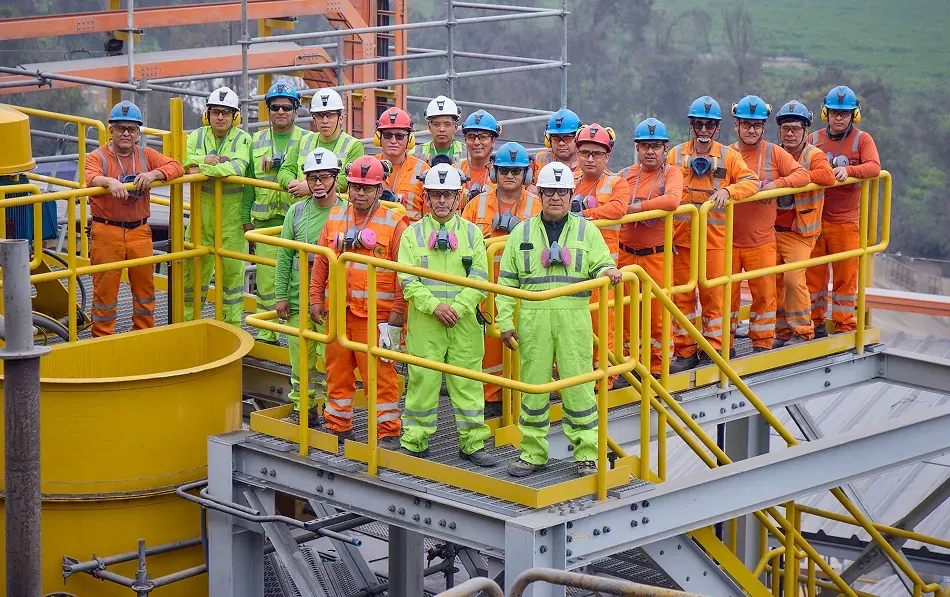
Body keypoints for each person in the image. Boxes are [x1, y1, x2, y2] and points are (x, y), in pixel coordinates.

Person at [496, 162, 622, 478]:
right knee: (534, 388)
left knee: (578, 387)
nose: (555, 197)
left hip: (573, 319)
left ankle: (586, 454)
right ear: (539, 193)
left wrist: (607, 271)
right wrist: (504, 320)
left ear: (570, 194)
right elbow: (506, 281)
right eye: (549, 191)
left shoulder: (587, 231)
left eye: (562, 192)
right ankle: (532, 454)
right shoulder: (521, 232)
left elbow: (602, 263)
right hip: (533, 320)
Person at [397, 164, 494, 465]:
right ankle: (415, 440)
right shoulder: (412, 235)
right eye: (436, 195)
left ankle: (473, 444)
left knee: (467, 382)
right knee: (423, 381)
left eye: (448, 195)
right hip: (427, 323)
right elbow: (408, 281)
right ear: (426, 196)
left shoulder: (472, 234)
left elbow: (480, 278)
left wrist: (459, 308)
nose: (441, 201)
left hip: (463, 324)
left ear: (458, 197)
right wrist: (435, 307)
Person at [309, 156, 408, 446]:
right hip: (339, 312)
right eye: (355, 187)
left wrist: (399, 312)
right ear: (348, 187)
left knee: (381, 376)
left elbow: (405, 272)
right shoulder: (336, 217)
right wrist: (316, 298)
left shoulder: (395, 224)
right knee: (336, 373)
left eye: (367, 188)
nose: (360, 193)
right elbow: (321, 263)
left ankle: (388, 431)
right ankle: (339, 427)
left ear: (380, 190)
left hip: (378, 318)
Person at [667, 96, 758, 373]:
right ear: (692, 125)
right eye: (699, 124)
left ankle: (714, 348)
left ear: (717, 128)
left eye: (709, 125)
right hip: (680, 241)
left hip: (714, 242)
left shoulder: (729, 156)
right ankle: (685, 352)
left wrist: (729, 191)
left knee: (713, 298)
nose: (704, 130)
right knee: (681, 298)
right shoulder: (675, 154)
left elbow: (751, 182)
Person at [85, 100, 184, 336]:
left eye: (131, 129)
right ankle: (101, 339)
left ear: (138, 133)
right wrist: (110, 182)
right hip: (107, 232)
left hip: (140, 231)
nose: (126, 134)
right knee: (105, 292)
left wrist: (154, 174)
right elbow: (90, 178)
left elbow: (176, 166)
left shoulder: (146, 155)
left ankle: (144, 335)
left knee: (145, 289)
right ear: (111, 131)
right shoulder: (97, 156)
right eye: (121, 128)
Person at [728, 95, 809, 352]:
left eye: (757, 125)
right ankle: (722, 344)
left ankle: (762, 343)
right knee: (724, 296)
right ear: (736, 126)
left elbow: (802, 175)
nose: (751, 130)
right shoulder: (727, 154)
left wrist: (773, 186)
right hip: (726, 239)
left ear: (764, 127)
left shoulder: (775, 153)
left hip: (761, 241)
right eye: (746, 124)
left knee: (764, 296)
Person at [462, 142, 541, 405]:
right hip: (486, 289)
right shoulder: (476, 204)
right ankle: (492, 400)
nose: (510, 176)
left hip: (524, 289)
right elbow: (464, 242)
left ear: (526, 176)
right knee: (488, 348)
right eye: (504, 170)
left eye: (516, 172)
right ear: (495, 173)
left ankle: (522, 398)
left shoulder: (538, 206)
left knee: (526, 343)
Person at [275, 148, 347, 426]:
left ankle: (334, 413)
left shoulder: (345, 212)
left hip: (331, 300)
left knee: (332, 359)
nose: (318, 183)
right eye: (313, 177)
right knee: (300, 359)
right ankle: (303, 409)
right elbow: (284, 257)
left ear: (335, 178)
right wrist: (282, 296)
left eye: (324, 177)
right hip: (298, 297)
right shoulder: (295, 212)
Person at [805, 86, 881, 338]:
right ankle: (815, 325)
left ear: (854, 115)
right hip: (814, 221)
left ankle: (845, 327)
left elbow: (874, 167)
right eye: (835, 112)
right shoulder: (813, 139)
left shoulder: (863, 139)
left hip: (845, 223)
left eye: (845, 113)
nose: (839, 118)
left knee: (846, 279)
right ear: (826, 113)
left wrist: (849, 171)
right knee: (812, 279)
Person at [616, 118, 683, 377]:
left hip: (656, 256)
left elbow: (673, 200)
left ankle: (657, 368)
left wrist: (636, 208)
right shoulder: (625, 175)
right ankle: (627, 365)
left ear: (665, 149)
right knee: (624, 314)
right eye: (645, 146)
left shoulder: (671, 173)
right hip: (625, 254)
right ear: (637, 148)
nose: (650, 151)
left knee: (657, 315)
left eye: (656, 146)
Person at [243, 81, 308, 345]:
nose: (280, 112)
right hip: (265, 224)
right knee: (267, 280)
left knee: (300, 281)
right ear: (268, 110)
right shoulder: (256, 141)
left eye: (286, 107)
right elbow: (248, 183)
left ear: (296, 110)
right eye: (275, 107)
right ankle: (267, 333)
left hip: (299, 223)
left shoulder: (307, 141)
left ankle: (299, 334)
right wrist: (246, 221)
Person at [182, 86, 252, 326]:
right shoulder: (196, 136)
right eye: (215, 112)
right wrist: (206, 163)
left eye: (226, 112)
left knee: (232, 277)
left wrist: (201, 167)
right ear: (207, 114)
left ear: (236, 116)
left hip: (231, 220)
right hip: (201, 216)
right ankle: (188, 322)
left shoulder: (243, 139)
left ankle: (230, 327)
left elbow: (238, 168)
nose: (220, 117)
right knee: (193, 273)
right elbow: (184, 163)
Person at [773, 101, 834, 346]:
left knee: (793, 280)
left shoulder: (813, 155)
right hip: (771, 230)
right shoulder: (774, 153)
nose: (790, 133)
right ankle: (781, 332)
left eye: (795, 129)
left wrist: (795, 178)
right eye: (786, 128)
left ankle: (803, 332)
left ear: (805, 131)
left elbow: (827, 176)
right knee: (773, 282)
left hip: (800, 232)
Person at [572, 124, 631, 380]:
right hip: (570, 267)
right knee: (571, 326)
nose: (590, 158)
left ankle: (604, 378)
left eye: (597, 153)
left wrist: (584, 213)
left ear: (607, 156)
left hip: (601, 270)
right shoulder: (567, 180)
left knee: (601, 324)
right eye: (585, 152)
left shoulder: (617, 183)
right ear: (578, 154)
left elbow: (618, 209)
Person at [278, 87, 364, 196]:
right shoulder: (304, 141)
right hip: (303, 210)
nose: (324, 121)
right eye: (319, 115)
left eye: (330, 115)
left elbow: (347, 181)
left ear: (341, 118)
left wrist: (310, 187)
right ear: (314, 119)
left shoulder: (354, 146)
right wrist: (290, 182)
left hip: (333, 210)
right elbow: (285, 170)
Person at [374, 107, 429, 221]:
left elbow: (430, 218)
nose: (393, 141)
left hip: (410, 235)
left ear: (409, 139)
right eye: (388, 135)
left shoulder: (423, 171)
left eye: (399, 136)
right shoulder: (367, 166)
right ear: (379, 137)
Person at [457, 109, 501, 204]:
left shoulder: (503, 173)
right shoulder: (454, 170)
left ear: (493, 141)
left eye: (483, 137)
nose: (476, 142)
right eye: (471, 137)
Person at [531, 108, 583, 180]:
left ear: (578, 137)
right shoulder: (539, 159)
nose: (561, 143)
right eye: (556, 138)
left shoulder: (588, 164)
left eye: (567, 138)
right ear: (549, 139)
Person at [414, 95, 465, 164]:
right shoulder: (414, 154)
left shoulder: (468, 153)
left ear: (455, 127)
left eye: (447, 124)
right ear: (429, 127)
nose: (441, 129)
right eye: (436, 124)